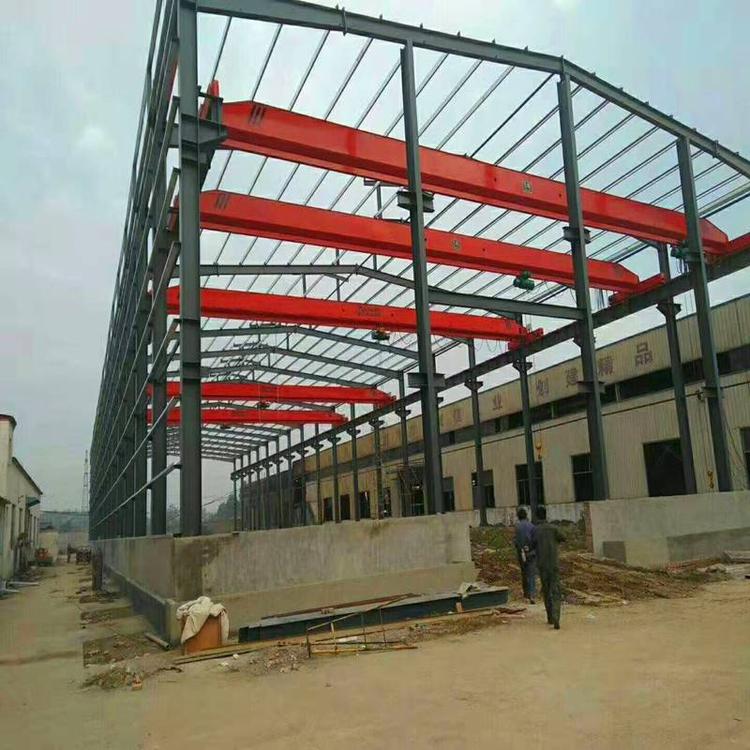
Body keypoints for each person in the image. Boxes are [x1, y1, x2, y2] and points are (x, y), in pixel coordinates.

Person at [533, 505, 565, 630]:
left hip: (542, 565)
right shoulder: (553, 528)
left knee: (546, 591)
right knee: (555, 590)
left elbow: (531, 544)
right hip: (553, 564)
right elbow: (563, 537)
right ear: (546, 514)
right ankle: (556, 616)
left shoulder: (536, 530)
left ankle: (550, 617)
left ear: (537, 516)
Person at [513, 506, 536, 604]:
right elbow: (535, 540)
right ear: (526, 515)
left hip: (521, 553)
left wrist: (520, 548)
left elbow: (516, 541)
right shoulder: (532, 526)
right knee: (531, 574)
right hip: (531, 552)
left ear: (518, 516)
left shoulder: (517, 527)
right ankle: (532, 595)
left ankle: (526, 594)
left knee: (524, 573)